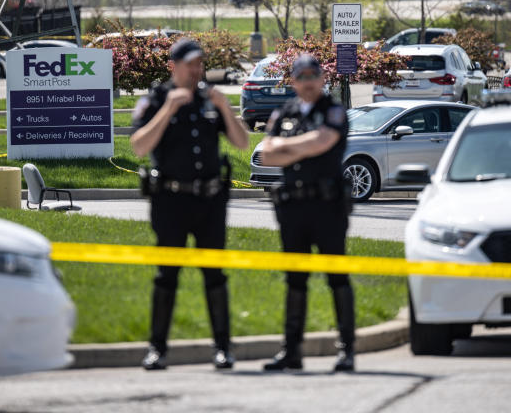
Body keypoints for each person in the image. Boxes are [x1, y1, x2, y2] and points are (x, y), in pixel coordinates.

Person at [130, 38, 250, 371]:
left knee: (215, 275)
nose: (197, 70)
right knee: (166, 275)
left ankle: (223, 349)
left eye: (200, 64)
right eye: (190, 65)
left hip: (210, 202)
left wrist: (225, 107)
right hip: (171, 200)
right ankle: (157, 349)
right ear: (173, 66)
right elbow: (139, 145)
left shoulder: (209, 100)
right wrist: (168, 109)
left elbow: (241, 143)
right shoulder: (155, 99)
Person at [257, 54, 355, 372]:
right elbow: (267, 155)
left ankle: (347, 350)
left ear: (322, 79)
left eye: (313, 76)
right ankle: (292, 351)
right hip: (293, 209)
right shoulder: (284, 112)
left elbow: (324, 140)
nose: (308, 82)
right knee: (294, 280)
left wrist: (289, 147)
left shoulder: (334, 110)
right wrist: (305, 145)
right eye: (302, 77)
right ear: (294, 81)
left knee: (336, 276)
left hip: (327, 208)